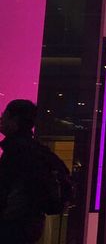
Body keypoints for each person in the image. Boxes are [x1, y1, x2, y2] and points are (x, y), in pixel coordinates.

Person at [0, 99, 46, 243]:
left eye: (4, 115)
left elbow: (6, 189)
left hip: (12, 227)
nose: (1, 119)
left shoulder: (16, 150)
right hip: (28, 226)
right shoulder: (37, 150)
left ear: (15, 120)